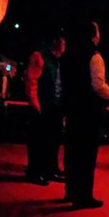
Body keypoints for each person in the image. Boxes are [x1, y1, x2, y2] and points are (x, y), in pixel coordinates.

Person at [62, 22, 109, 209]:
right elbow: (97, 85)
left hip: (72, 108)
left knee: (72, 152)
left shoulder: (69, 54)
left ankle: (70, 191)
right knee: (86, 155)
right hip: (88, 111)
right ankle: (83, 196)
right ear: (93, 35)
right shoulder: (94, 56)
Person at [24, 34, 66, 185]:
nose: (65, 43)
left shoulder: (59, 60)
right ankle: (34, 172)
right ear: (55, 40)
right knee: (38, 140)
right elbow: (31, 80)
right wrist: (35, 102)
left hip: (55, 105)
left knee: (53, 140)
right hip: (43, 104)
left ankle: (50, 169)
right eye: (63, 40)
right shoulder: (40, 56)